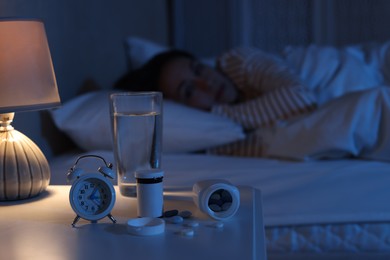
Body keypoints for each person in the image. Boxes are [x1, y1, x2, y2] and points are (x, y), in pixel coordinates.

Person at [114, 47, 317, 157]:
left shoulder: (239, 62)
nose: (206, 83)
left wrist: (222, 114)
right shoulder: (210, 136)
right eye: (189, 90)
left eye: (198, 69)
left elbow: (301, 98)